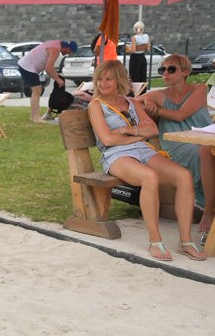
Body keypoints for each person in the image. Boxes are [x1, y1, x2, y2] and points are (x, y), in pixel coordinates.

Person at [87, 60, 205, 262]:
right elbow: (107, 140)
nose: (102, 83)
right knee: (149, 177)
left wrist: (127, 130)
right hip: (116, 155)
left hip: (142, 150)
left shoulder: (131, 102)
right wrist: (138, 134)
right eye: (99, 79)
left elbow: (152, 130)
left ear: (119, 80)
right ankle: (155, 241)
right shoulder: (96, 105)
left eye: (108, 79)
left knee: (184, 176)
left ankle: (185, 242)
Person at [139, 53, 215, 240]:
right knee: (203, 152)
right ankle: (208, 210)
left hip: (204, 136)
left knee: (207, 150)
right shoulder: (158, 94)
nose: (165, 72)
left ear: (185, 72)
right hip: (177, 144)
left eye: (171, 69)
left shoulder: (199, 89)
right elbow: (132, 101)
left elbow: (181, 115)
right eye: (162, 69)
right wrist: (146, 100)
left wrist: (157, 109)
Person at [18, 39, 76, 123]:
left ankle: (33, 116)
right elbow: (48, 68)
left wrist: (56, 76)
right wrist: (58, 80)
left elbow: (49, 67)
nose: (68, 54)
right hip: (27, 66)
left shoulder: (56, 44)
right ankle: (36, 118)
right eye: (70, 52)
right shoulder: (55, 49)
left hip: (26, 65)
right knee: (37, 90)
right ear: (68, 48)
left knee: (37, 90)